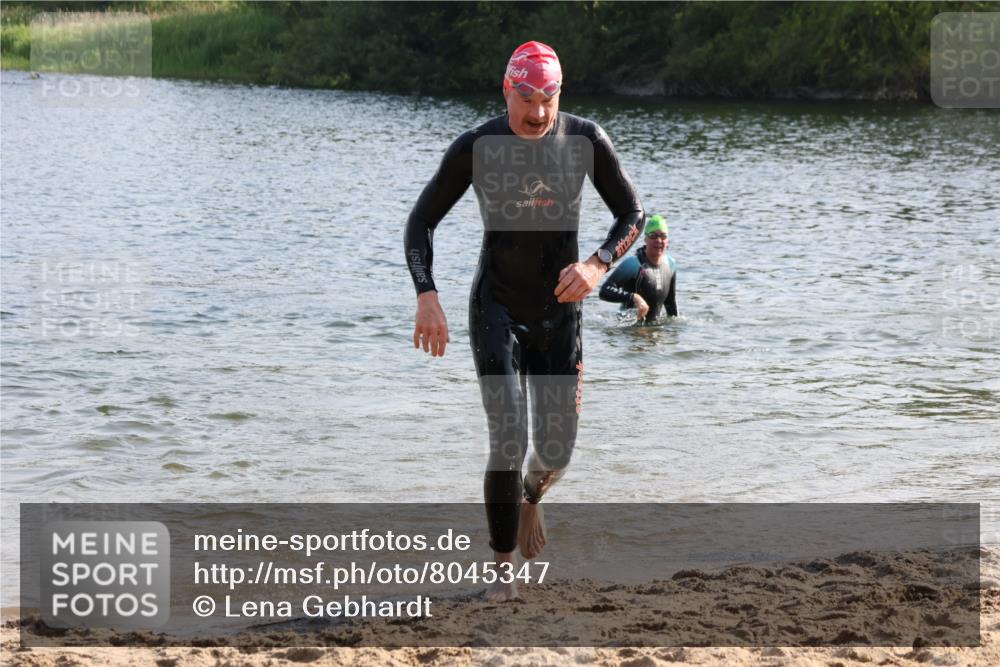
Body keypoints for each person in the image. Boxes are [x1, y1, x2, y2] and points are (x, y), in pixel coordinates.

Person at [404, 41, 644, 601]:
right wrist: (426, 295)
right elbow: (421, 221)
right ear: (506, 90)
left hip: (560, 313)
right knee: (508, 434)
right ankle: (502, 570)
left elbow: (631, 213)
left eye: (548, 98)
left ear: (561, 93)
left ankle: (532, 501)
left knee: (555, 451)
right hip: (498, 309)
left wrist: (598, 263)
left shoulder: (584, 140)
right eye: (526, 98)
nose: (538, 112)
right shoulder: (478, 146)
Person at [599, 214, 677, 323]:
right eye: (653, 235)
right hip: (628, 331)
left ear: (667, 241)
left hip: (653, 330)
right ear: (645, 239)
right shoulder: (633, 264)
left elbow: (670, 304)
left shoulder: (671, 264)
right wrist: (633, 297)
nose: (659, 240)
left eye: (663, 236)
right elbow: (604, 291)